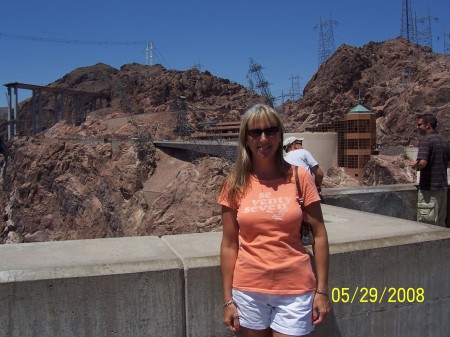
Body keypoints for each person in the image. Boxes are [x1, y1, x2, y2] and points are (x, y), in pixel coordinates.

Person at [218, 104, 330, 336]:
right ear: (245, 139)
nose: (263, 138)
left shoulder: (300, 177)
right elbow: (229, 244)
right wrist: (228, 300)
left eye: (270, 131)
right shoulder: (234, 184)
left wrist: (322, 291)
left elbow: (319, 235)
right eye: (255, 132)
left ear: (280, 136)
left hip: (296, 289)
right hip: (249, 290)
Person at [411, 114, 449, 227]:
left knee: (427, 225)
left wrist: (414, 164)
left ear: (428, 126)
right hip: (442, 188)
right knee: (441, 224)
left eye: (419, 124)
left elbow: (422, 163)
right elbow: (448, 164)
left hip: (429, 190)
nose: (417, 127)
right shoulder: (444, 141)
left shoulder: (426, 140)